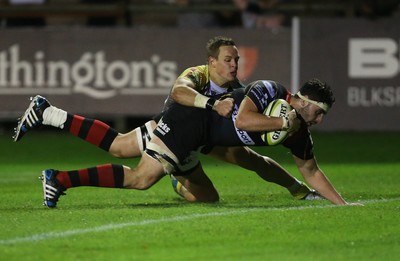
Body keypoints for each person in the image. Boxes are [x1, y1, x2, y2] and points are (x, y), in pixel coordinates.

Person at [14, 36, 319, 204]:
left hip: (195, 140)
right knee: (139, 176)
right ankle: (59, 173)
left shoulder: (237, 90)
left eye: (237, 59)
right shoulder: (198, 74)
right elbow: (179, 93)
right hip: (173, 129)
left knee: (208, 195)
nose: (234, 64)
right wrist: (213, 105)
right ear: (212, 62)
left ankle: (48, 114)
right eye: (228, 59)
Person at [25, 78, 360, 207]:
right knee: (141, 180)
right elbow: (242, 119)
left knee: (121, 147)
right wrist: (278, 123)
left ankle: (50, 114)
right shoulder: (270, 90)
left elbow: (311, 168)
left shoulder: (299, 132)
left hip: (203, 141)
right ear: (303, 101)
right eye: (319, 111)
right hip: (188, 124)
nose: (320, 119)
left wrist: (341, 205)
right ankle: (59, 180)